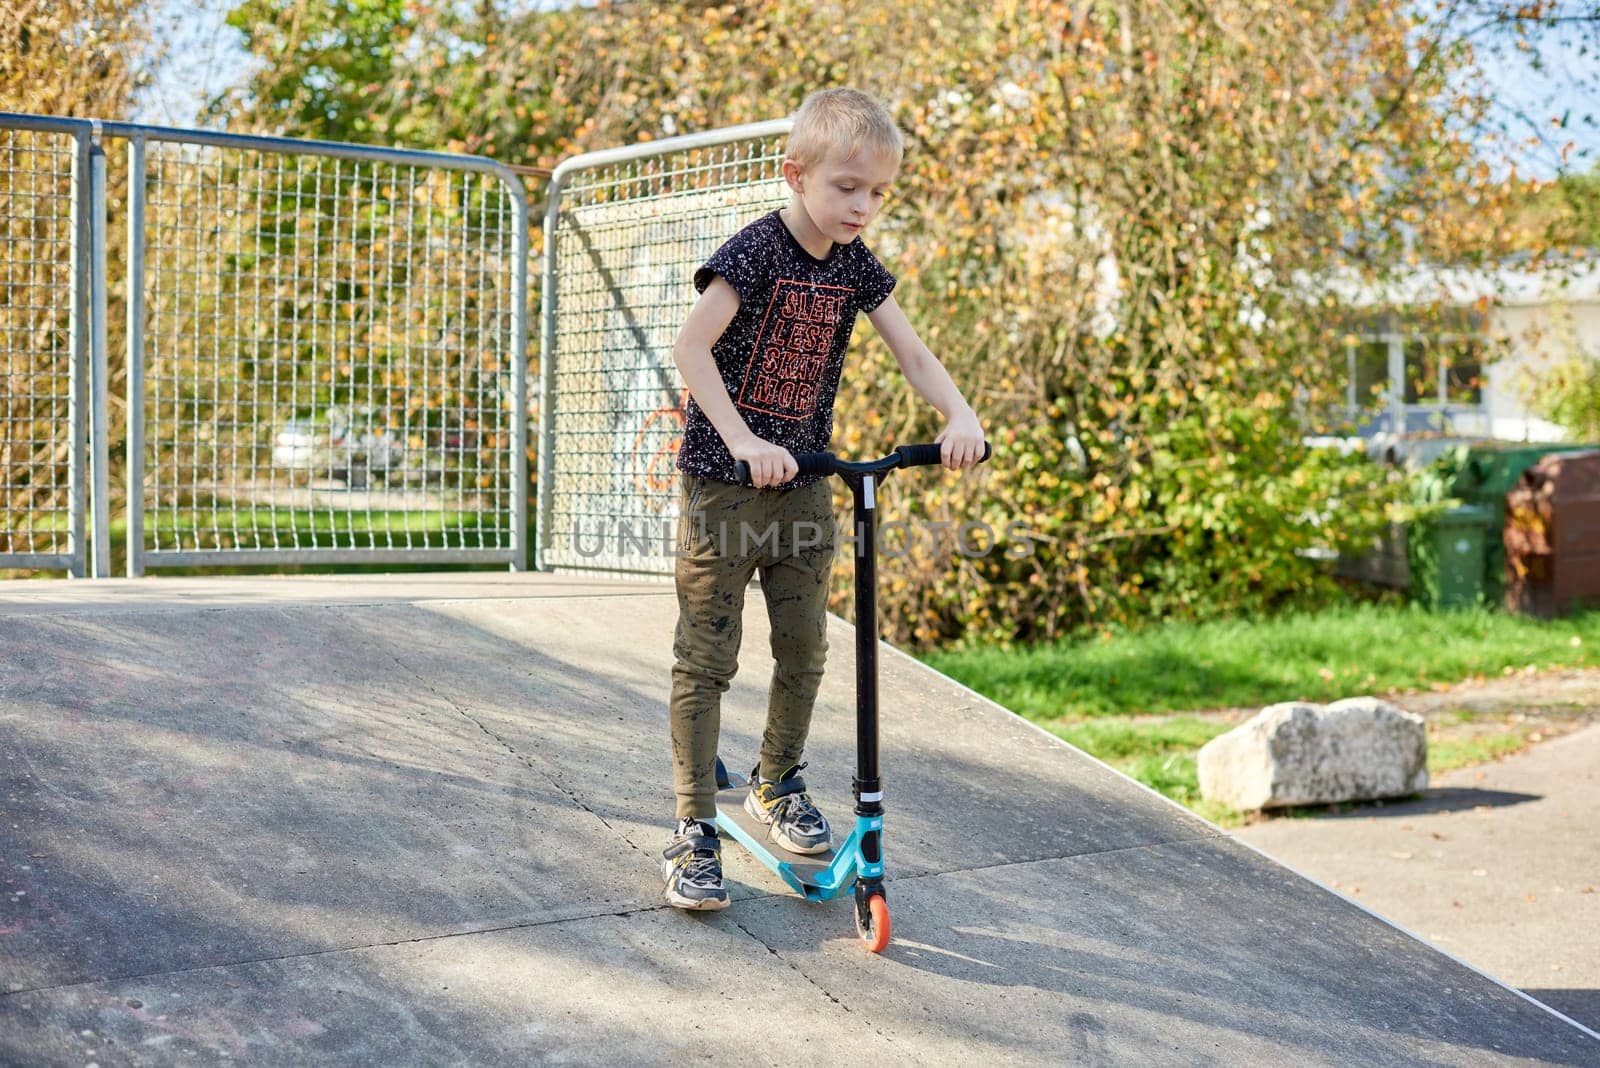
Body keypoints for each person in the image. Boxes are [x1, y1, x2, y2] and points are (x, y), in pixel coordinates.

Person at [662, 88, 986, 910]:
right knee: (707, 658)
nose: (863, 206)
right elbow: (690, 347)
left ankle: (777, 782)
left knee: (805, 650)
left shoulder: (855, 267)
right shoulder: (756, 252)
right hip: (723, 491)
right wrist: (741, 440)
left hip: (806, 487)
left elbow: (911, 352)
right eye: (848, 187)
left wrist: (959, 413)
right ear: (795, 175)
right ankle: (694, 827)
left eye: (878, 192)